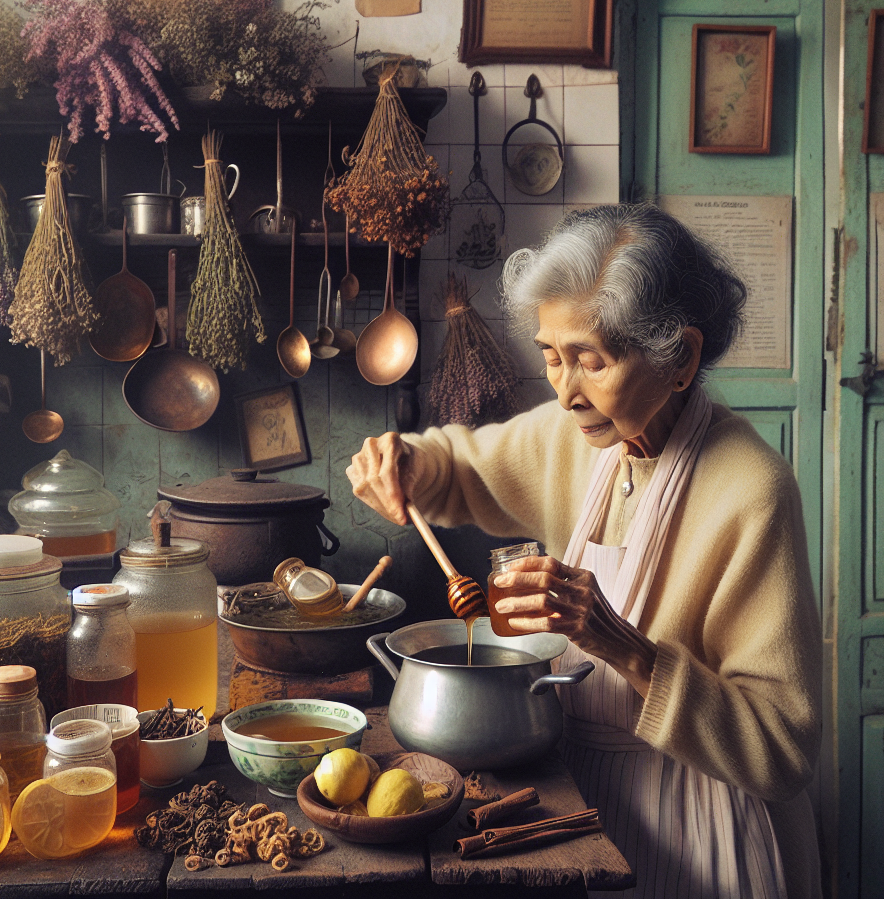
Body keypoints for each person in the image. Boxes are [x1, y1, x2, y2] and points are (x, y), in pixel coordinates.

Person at [347, 202, 822, 899]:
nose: (565, 392)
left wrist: (625, 648)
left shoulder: (752, 489)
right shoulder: (575, 438)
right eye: (551, 357)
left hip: (706, 824)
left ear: (680, 358)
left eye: (591, 361)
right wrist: (402, 462)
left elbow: (783, 748)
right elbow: (459, 467)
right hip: (574, 809)